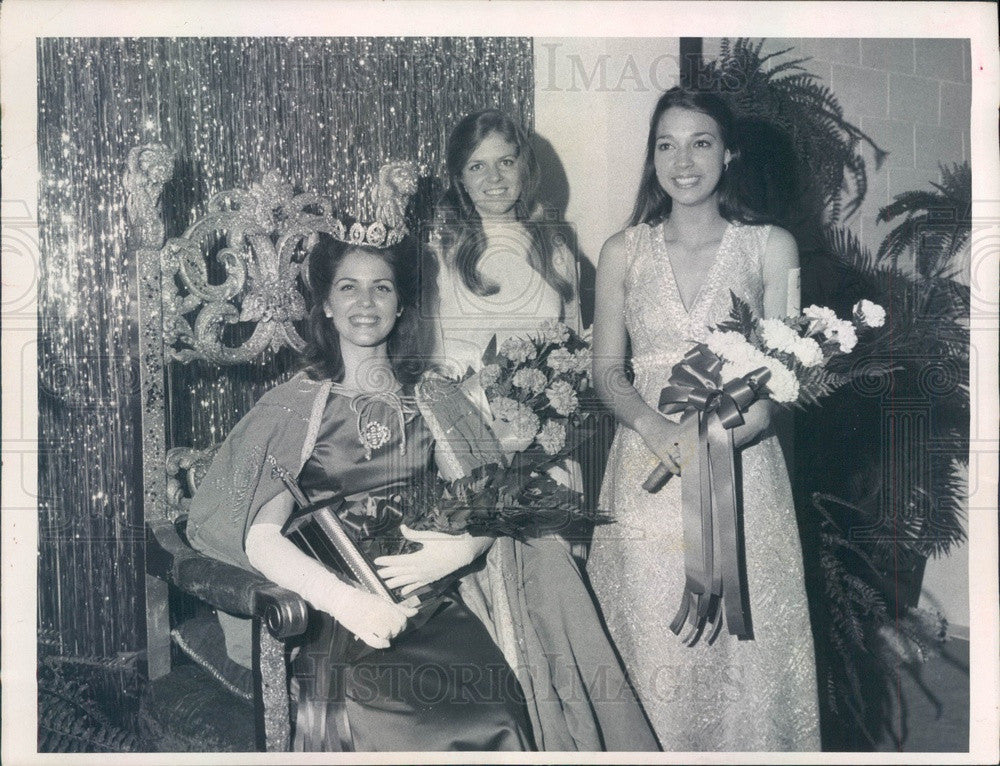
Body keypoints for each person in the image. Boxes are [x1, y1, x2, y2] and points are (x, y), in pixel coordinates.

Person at [375, 109, 659, 752]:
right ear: (458, 178)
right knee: (498, 591)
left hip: (542, 443)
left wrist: (544, 424)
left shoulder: (558, 248)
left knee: (554, 580)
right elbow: (427, 366)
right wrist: (480, 419)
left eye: (507, 161)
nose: (494, 177)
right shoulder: (438, 252)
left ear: (525, 168)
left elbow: (580, 358)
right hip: (460, 447)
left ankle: (571, 730)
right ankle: (516, 732)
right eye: (477, 166)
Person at [187, 231, 534, 751]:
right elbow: (261, 540)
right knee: (399, 722)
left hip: (430, 600)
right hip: (337, 607)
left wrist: (460, 550)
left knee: (495, 710)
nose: (366, 303)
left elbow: (490, 493)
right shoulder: (297, 406)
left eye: (383, 288)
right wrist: (351, 605)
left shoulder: (432, 395)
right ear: (326, 305)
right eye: (348, 288)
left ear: (401, 306)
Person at [586, 87, 821, 751]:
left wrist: (715, 438)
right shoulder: (621, 252)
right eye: (666, 143)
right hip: (645, 474)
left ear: (729, 152)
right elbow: (607, 372)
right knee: (655, 636)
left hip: (744, 474)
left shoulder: (769, 247)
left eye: (701, 142)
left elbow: (785, 380)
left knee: (743, 655)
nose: (681, 160)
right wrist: (661, 431)